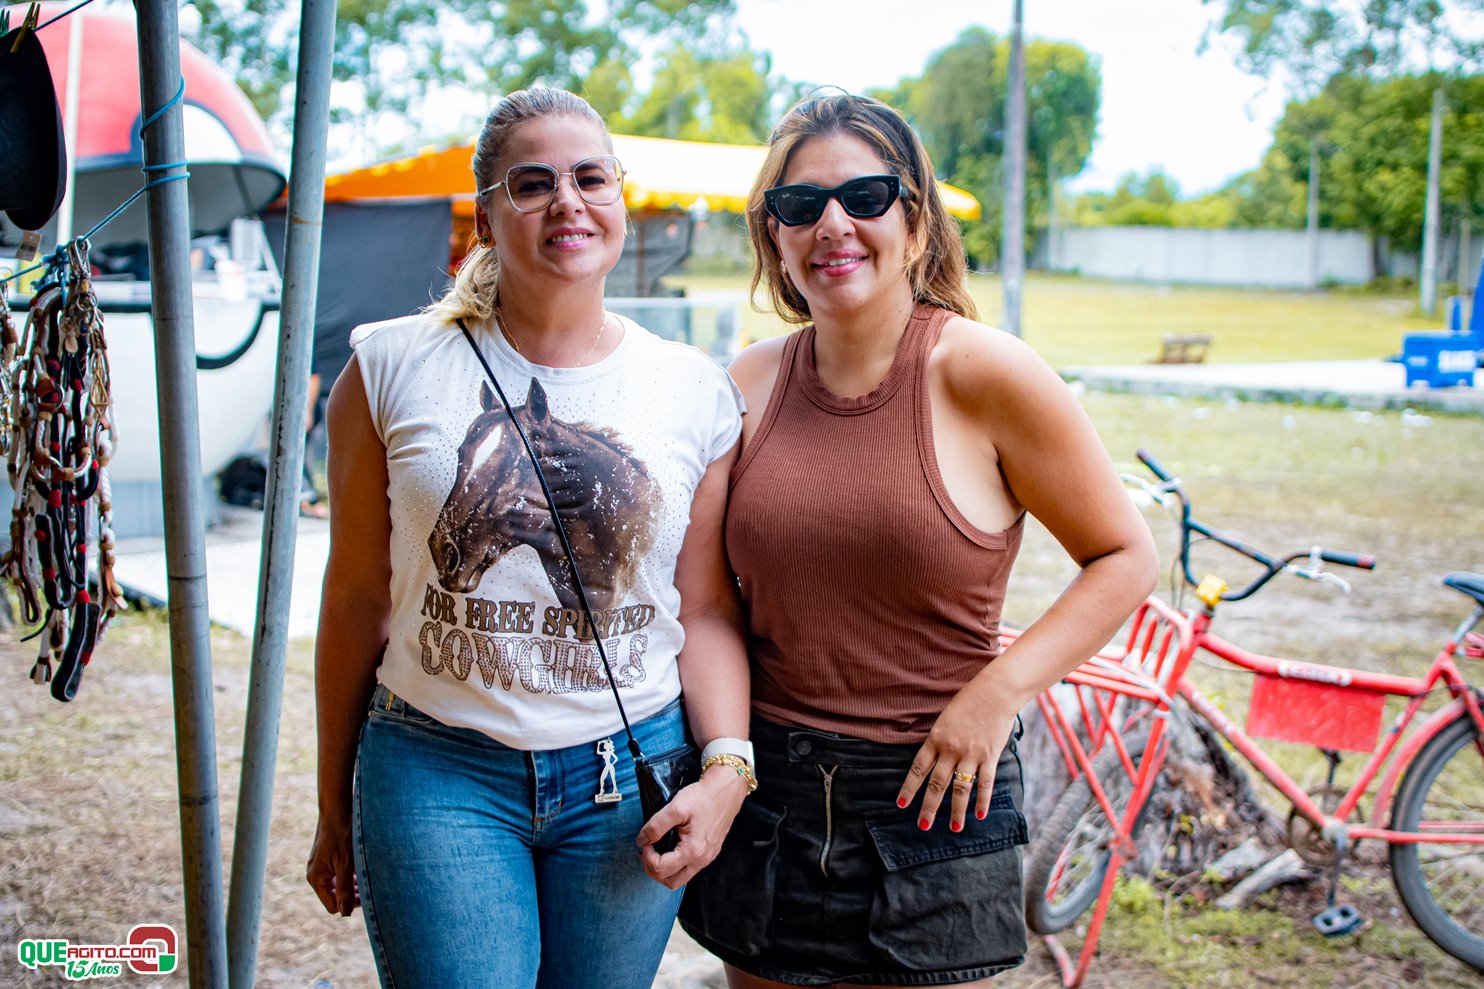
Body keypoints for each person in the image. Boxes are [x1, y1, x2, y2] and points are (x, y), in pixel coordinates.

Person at [678, 93, 1160, 988]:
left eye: (866, 195)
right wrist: (727, 763)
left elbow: (1127, 556)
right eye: (798, 205)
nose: (832, 224)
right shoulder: (740, 387)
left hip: (933, 797)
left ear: (916, 216)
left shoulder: (986, 372)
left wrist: (999, 691)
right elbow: (704, 607)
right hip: (771, 798)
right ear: (772, 237)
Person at [305, 87, 754, 989]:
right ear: (486, 213)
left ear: (620, 200)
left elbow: (701, 609)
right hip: (436, 766)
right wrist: (331, 803)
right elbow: (355, 595)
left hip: (625, 776)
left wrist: (727, 772)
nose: (568, 202)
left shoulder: (694, 389)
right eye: (533, 183)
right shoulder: (387, 366)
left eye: (592, 178)